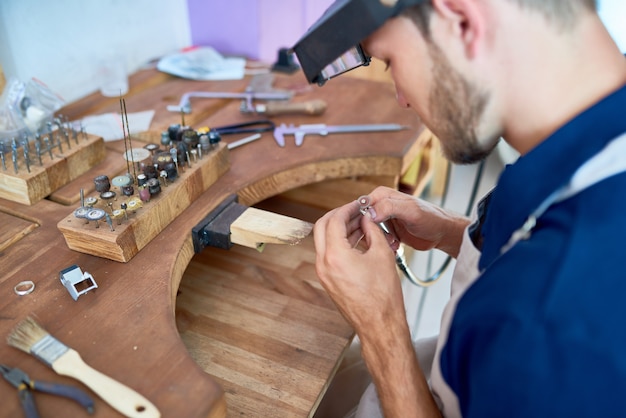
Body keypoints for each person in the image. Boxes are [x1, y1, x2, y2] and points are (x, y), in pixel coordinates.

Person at [299, 0, 626, 416]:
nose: (400, 97)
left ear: (460, 18)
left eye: (391, 61)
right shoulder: (588, 120)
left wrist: (382, 328)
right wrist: (453, 232)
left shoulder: (550, 330)